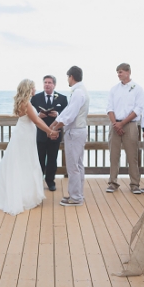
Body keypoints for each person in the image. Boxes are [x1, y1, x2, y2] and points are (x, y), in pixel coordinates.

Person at [0, 80, 58, 215]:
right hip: (25, 135)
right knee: (25, 163)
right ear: (28, 89)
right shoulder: (27, 103)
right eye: (33, 87)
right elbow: (36, 121)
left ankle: (25, 192)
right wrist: (50, 131)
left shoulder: (22, 102)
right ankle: (23, 195)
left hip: (23, 133)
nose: (35, 89)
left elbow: (33, 118)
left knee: (21, 162)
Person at [48, 66, 90, 207]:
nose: (67, 79)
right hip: (78, 131)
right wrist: (53, 125)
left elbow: (70, 116)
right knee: (78, 165)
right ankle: (77, 194)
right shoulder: (80, 91)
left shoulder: (78, 92)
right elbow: (66, 112)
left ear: (71, 76)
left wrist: (55, 129)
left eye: (67, 77)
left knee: (73, 166)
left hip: (75, 132)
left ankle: (76, 197)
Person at [106, 63, 144, 194]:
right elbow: (109, 108)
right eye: (118, 72)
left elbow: (138, 109)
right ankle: (112, 182)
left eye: (121, 72)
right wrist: (115, 124)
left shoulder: (137, 89)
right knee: (113, 155)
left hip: (130, 125)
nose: (119, 74)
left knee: (132, 155)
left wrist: (122, 123)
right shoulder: (114, 89)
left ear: (128, 72)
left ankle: (135, 184)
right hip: (114, 125)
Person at [30, 75, 68, 191]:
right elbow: (30, 113)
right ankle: (38, 182)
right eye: (45, 82)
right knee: (39, 158)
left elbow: (67, 114)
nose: (47, 84)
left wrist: (57, 114)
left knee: (52, 158)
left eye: (49, 82)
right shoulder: (35, 98)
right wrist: (38, 115)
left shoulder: (62, 98)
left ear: (54, 85)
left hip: (54, 133)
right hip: (40, 133)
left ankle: (50, 181)